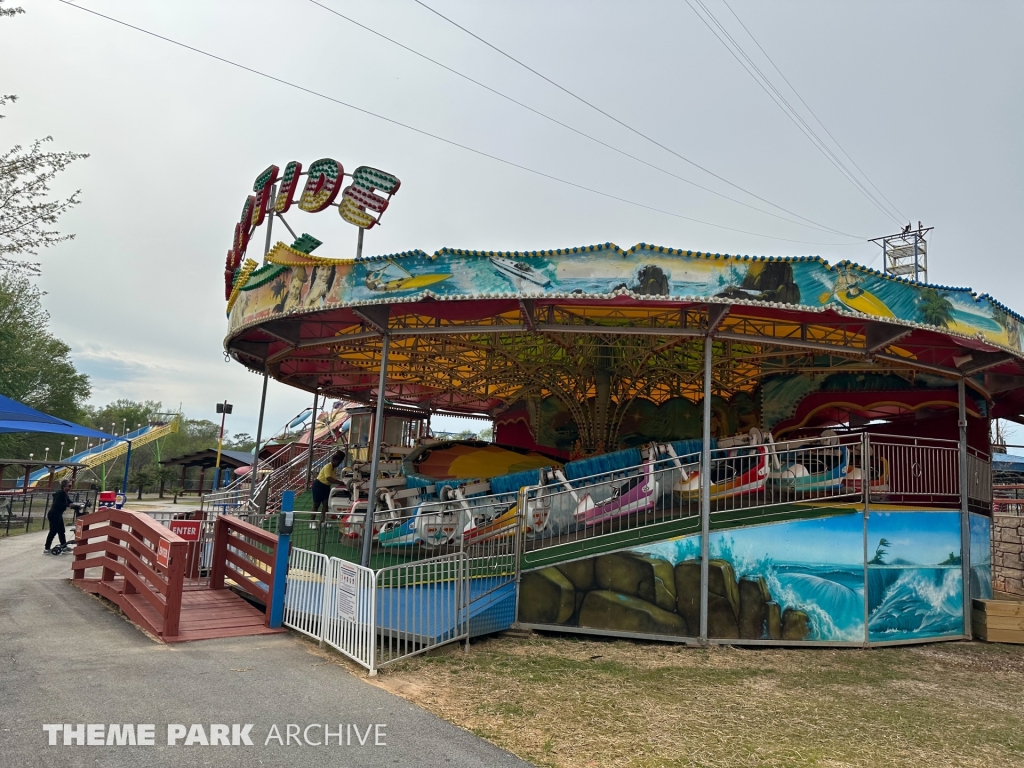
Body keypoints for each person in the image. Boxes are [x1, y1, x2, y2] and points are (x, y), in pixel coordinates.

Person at [312, 450, 346, 517]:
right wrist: (339, 482)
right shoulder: (328, 466)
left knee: (325, 505)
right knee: (316, 504)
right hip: (318, 486)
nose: (339, 464)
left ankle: (323, 521)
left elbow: (333, 478)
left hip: (326, 487)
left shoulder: (334, 468)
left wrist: (340, 482)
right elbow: (328, 478)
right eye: (338, 462)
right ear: (334, 460)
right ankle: (312, 522)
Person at [44, 479, 73, 554]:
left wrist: (76, 504)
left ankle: (64, 546)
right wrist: (67, 505)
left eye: (71, 486)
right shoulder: (60, 493)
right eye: (69, 486)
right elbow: (57, 504)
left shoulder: (65, 494)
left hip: (59, 514)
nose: (70, 488)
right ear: (64, 486)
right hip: (54, 514)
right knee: (53, 531)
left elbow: (70, 502)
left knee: (61, 531)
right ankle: (47, 548)